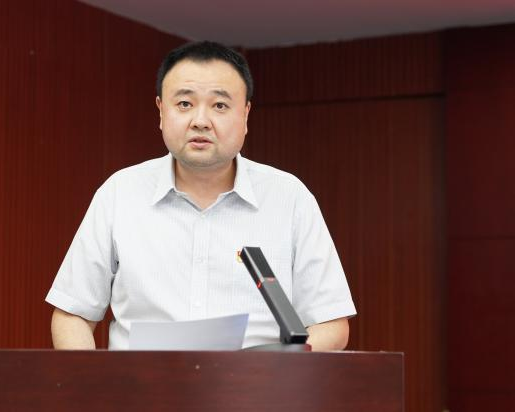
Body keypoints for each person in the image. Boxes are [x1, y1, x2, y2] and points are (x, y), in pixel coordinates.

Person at [46, 41, 356, 351]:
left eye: (219, 105)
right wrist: (93, 381)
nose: (200, 121)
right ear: (161, 111)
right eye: (184, 104)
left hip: (259, 380)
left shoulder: (290, 198)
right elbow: (72, 314)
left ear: (245, 114)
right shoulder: (119, 193)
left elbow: (330, 323)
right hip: (138, 382)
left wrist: (274, 371)